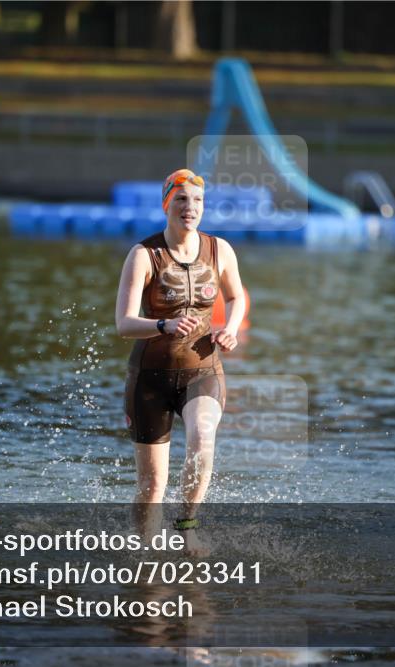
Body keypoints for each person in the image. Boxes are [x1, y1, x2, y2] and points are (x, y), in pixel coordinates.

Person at [115, 168, 247, 557]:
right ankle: (144, 552)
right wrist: (162, 323)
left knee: (203, 440)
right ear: (166, 205)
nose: (190, 208)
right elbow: (123, 324)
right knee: (152, 485)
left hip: (202, 371)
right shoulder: (144, 254)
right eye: (182, 200)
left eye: (198, 201)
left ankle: (187, 529)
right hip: (150, 379)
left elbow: (236, 298)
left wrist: (232, 328)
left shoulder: (220, 250)